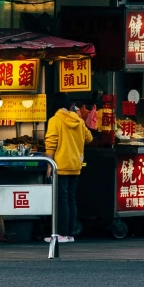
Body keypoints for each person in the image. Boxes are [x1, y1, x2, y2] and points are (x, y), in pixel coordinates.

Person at [45, 98, 91, 244]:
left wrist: (49, 164)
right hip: (76, 164)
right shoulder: (79, 121)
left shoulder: (55, 120)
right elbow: (89, 138)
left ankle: (61, 234)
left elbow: (51, 143)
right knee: (71, 199)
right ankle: (70, 234)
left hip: (61, 165)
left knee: (62, 200)